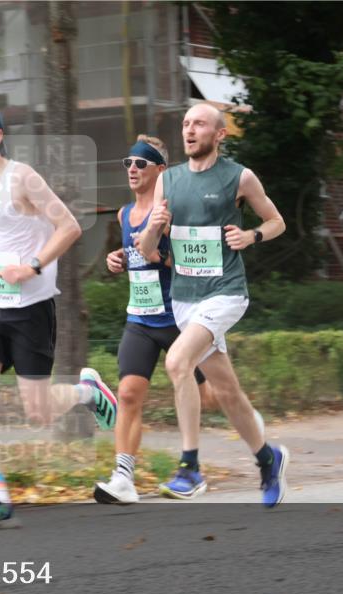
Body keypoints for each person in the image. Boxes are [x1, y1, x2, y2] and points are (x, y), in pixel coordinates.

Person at [0, 102, 118, 530]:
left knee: (38, 412)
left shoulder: (23, 178)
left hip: (30, 309)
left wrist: (32, 267)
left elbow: (70, 226)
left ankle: (88, 393)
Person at [93, 135, 263, 505]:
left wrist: (161, 257)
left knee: (213, 397)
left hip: (180, 317)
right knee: (129, 393)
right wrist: (118, 259)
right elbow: (136, 251)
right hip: (140, 318)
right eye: (128, 164)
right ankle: (123, 478)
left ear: (160, 171)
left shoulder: (177, 209)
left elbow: (193, 259)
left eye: (141, 163)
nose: (133, 170)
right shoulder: (124, 214)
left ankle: (247, 420)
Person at [137, 102, 288, 507]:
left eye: (199, 124)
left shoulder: (239, 177)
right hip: (185, 299)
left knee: (176, 363)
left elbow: (277, 221)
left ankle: (190, 468)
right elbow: (149, 250)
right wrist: (152, 228)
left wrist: (251, 237)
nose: (189, 130)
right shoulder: (168, 181)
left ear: (219, 134)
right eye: (186, 124)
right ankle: (267, 459)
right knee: (226, 391)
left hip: (225, 292)